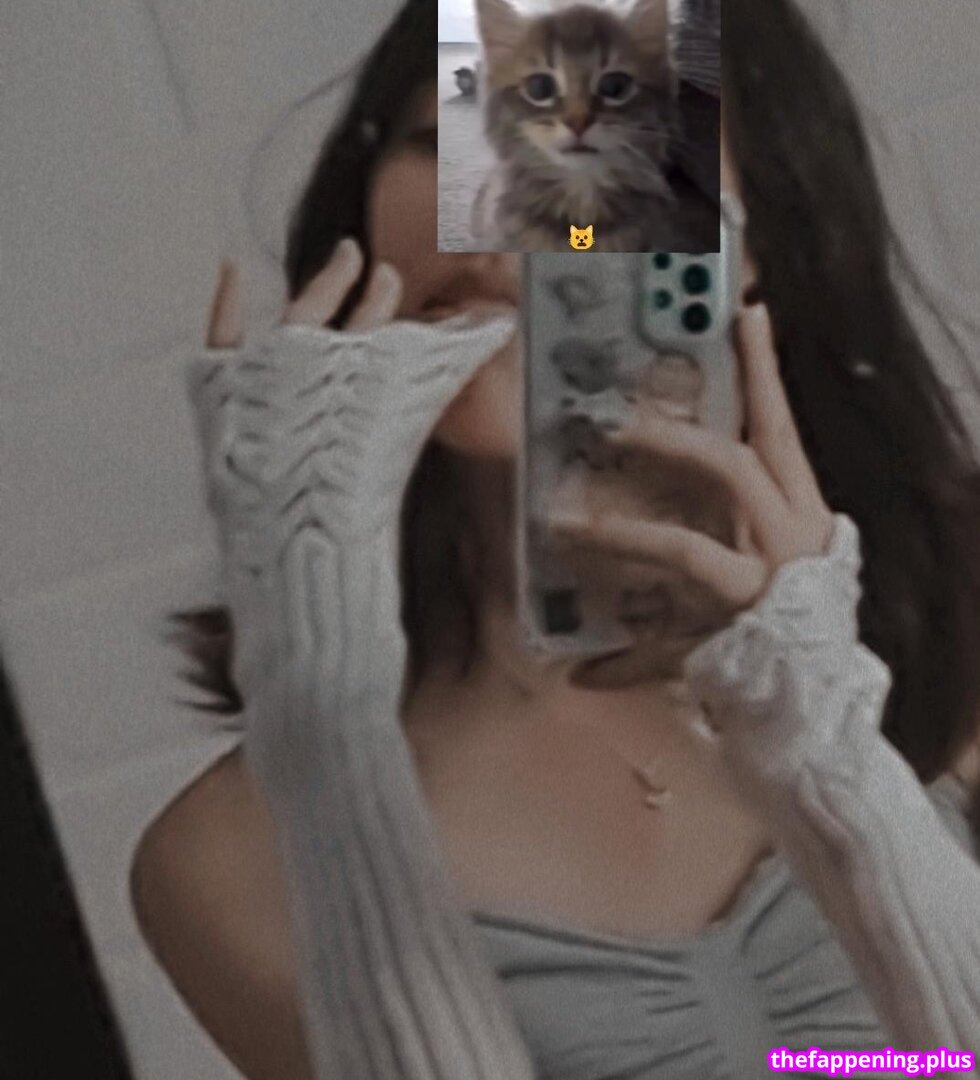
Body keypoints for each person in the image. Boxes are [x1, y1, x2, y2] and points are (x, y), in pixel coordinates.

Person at [130, 0, 980, 1078]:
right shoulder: (227, 851)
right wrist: (323, 702)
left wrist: (819, 725)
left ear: (755, 249)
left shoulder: (951, 606)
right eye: (441, 140)